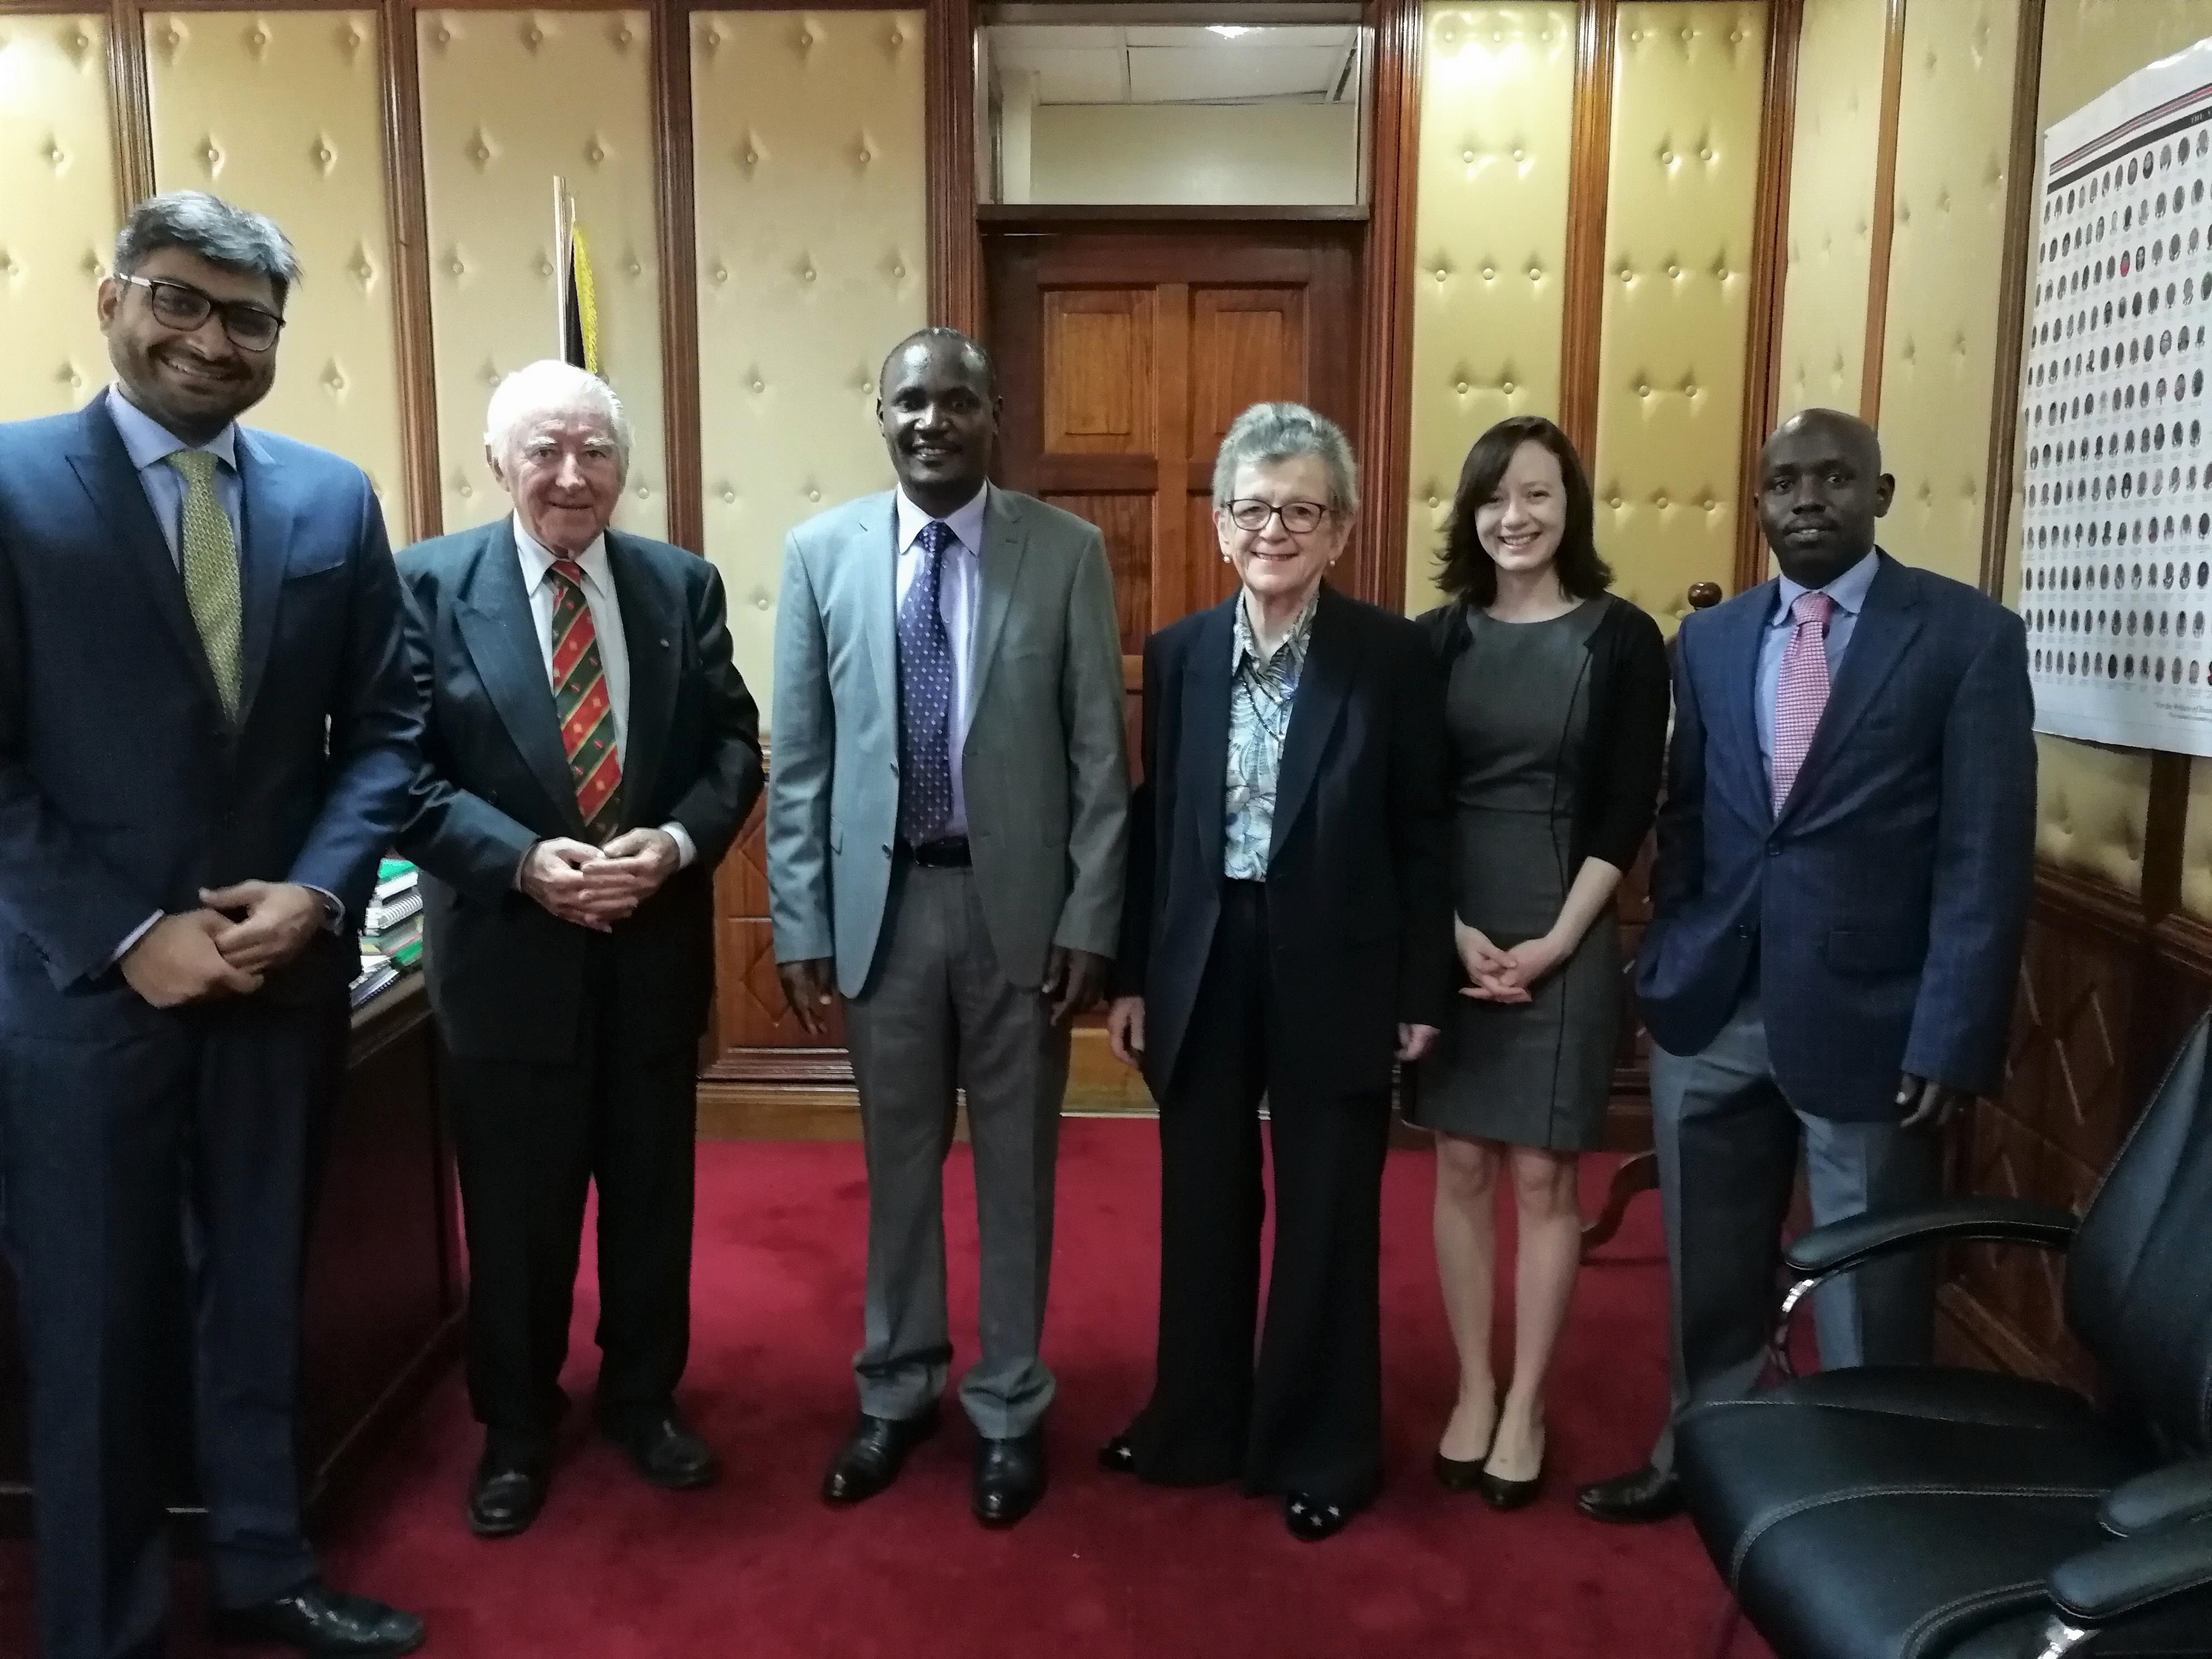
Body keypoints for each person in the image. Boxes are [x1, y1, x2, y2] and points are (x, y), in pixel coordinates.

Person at [0, 192, 424, 1657]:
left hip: (277, 977)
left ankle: (264, 1566)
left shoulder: (328, 500)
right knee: (95, 1324)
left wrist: (313, 894)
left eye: (248, 317)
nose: (212, 338)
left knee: (258, 1295)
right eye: (181, 301)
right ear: (112, 299)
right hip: (80, 999)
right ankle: (101, 1624)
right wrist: (129, 935)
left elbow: (389, 727)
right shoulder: (9, 484)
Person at [1575, 408, 2036, 1525]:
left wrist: (1949, 1029)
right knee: (1710, 1263)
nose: (1807, 502)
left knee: (1870, 1282)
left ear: (1880, 495)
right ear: (1761, 501)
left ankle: (1869, 1491)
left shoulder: (1965, 638)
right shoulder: (1717, 641)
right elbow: (1686, 822)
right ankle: (1706, 1450)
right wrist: (1664, 960)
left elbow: (1985, 850)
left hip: (1875, 1024)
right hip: (1715, 1006)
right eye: (1784, 483)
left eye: (1834, 480)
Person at [767, 328, 1128, 1529]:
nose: (933, 421)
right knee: (896, 1167)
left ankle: (1011, 1402)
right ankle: (896, 1386)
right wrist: (800, 918)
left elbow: (1096, 753)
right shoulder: (819, 555)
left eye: (956, 401)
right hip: (881, 913)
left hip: (1014, 912)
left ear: (994, 414)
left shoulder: (1065, 553)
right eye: (910, 401)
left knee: (1019, 1171)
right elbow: (804, 760)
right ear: (881, 415)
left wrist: (1092, 912)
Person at [396, 361, 763, 1537]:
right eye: (544, 451)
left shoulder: (677, 586)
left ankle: (643, 1399)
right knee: (517, 1209)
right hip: (508, 958)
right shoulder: (427, 587)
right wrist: (519, 860)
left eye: (594, 452)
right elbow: (397, 771)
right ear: (496, 461)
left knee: (653, 1199)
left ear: (623, 465)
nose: (570, 475)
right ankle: (514, 1423)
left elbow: (733, 747)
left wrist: (673, 841)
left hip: (652, 956)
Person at [1101, 402, 1452, 1541]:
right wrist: (1130, 975)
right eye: (1253, 508)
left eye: (1301, 510)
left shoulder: (1391, 656)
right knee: (1202, 1207)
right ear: (1218, 525)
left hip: (1338, 968)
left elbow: (1420, 832)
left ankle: (1322, 1444)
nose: (1274, 530)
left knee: (1328, 1216)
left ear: (1341, 529)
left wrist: (1417, 995)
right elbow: (1156, 826)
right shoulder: (1183, 652)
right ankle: (1195, 1422)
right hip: (1202, 962)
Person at [1410, 416, 1669, 1507]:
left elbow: (1625, 807)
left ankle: (1528, 1402)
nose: (1514, 517)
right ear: (1470, 514)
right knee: (1460, 1162)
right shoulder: (1435, 639)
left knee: (1541, 1172)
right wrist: (1449, 927)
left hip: (1567, 919)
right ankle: (1473, 1386)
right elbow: (1409, 803)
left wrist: (1563, 941)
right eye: (1493, 498)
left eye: (1537, 496)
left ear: (1571, 509)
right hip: (1454, 922)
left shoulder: (1621, 638)